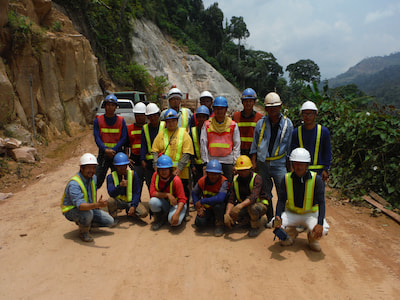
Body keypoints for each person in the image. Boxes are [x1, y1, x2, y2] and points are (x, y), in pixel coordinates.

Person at [249, 92, 293, 226]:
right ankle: (269, 218)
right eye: (270, 107)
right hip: (263, 163)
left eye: (275, 107)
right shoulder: (261, 124)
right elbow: (255, 145)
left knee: (283, 191)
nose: (272, 109)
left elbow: (289, 147)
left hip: (279, 163)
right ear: (266, 109)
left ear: (280, 107)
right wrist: (254, 162)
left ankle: (282, 219)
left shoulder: (287, 124)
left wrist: (290, 168)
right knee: (266, 192)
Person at [274, 148, 329, 251]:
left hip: (310, 214)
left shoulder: (316, 180)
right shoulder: (286, 179)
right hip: (292, 213)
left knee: (324, 229)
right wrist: (277, 215)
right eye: (296, 163)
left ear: (307, 165)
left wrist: (320, 223)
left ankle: (312, 238)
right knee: (276, 224)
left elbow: (322, 202)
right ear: (292, 164)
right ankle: (291, 233)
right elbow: (281, 200)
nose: (299, 167)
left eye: (302, 164)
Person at [61, 153, 115, 242]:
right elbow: (81, 206)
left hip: (88, 208)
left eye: (94, 167)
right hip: (72, 210)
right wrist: (96, 204)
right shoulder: (74, 184)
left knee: (109, 221)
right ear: (81, 168)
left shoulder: (93, 178)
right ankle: (83, 232)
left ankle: (86, 222)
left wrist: (96, 204)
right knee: (87, 214)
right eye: (89, 168)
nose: (92, 170)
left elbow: (91, 193)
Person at [151, 108, 194, 203]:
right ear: (165, 122)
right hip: (164, 171)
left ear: (177, 121)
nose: (171, 124)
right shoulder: (161, 134)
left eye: (173, 121)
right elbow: (154, 151)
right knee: (168, 192)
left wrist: (179, 168)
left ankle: (184, 214)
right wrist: (155, 166)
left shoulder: (184, 134)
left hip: (182, 172)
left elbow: (187, 153)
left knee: (183, 193)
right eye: (168, 122)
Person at [224, 155, 270, 237]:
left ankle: (255, 227)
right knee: (232, 211)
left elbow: (253, 197)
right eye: (240, 170)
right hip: (244, 205)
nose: (242, 172)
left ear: (250, 169)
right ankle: (247, 221)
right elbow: (231, 199)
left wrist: (239, 206)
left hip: (259, 204)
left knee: (252, 208)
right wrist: (227, 214)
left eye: (245, 170)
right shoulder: (235, 181)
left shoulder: (257, 178)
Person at [200, 96, 240, 183]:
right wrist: (205, 163)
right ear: (213, 109)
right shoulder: (207, 125)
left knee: (228, 187)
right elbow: (203, 145)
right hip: (212, 161)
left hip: (228, 161)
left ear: (226, 110)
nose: (219, 111)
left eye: (221, 108)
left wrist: (235, 162)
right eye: (217, 108)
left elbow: (237, 144)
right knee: (212, 187)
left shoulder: (233, 125)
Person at [291, 101, 332, 181]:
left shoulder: (324, 131)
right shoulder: (296, 132)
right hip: (301, 171)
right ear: (301, 115)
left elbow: (327, 152)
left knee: (317, 193)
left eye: (310, 114)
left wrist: (326, 169)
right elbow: (292, 152)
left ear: (315, 114)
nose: (307, 116)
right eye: (305, 114)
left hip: (319, 173)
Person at [93, 94, 127, 188]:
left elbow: (123, 138)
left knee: (119, 180)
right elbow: (97, 138)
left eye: (112, 105)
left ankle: (119, 200)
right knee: (96, 179)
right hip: (103, 154)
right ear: (105, 106)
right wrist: (105, 150)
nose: (110, 107)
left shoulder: (121, 120)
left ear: (116, 107)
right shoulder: (98, 121)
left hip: (117, 154)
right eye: (108, 105)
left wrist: (114, 149)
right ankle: (91, 201)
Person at [148, 155, 187, 230]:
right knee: (152, 201)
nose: (164, 171)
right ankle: (159, 219)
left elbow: (182, 199)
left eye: (166, 169)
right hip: (166, 203)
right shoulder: (155, 176)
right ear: (158, 170)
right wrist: (168, 195)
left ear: (170, 169)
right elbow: (152, 193)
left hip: (176, 204)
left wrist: (177, 214)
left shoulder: (176, 180)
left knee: (174, 222)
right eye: (161, 169)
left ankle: (180, 213)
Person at [106, 152, 148, 221]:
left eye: (124, 165)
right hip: (119, 202)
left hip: (130, 202)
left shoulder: (133, 175)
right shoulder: (110, 177)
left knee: (143, 213)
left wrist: (133, 206)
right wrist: (120, 186)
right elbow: (111, 193)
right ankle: (113, 216)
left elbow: (137, 192)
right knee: (110, 201)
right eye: (120, 166)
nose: (122, 168)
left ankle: (131, 212)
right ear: (115, 166)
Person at [192, 160, 229, 237]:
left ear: (219, 174)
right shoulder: (202, 180)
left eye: (216, 174)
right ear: (207, 173)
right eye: (211, 173)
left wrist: (202, 201)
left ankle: (219, 225)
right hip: (207, 207)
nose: (213, 176)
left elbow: (220, 198)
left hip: (220, 206)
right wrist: (198, 207)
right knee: (199, 223)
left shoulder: (223, 181)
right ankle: (212, 218)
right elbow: (194, 193)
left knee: (218, 206)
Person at [140, 103, 165, 192]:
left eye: (155, 115)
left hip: (163, 159)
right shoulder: (145, 128)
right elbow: (143, 144)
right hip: (149, 161)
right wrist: (142, 159)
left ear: (158, 115)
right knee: (150, 182)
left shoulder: (164, 126)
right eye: (150, 116)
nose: (153, 118)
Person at [233, 88, 263, 157]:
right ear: (242, 102)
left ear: (254, 102)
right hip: (239, 152)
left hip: (253, 153)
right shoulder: (235, 116)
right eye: (246, 101)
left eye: (250, 101)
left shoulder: (260, 118)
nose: (248, 103)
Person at [126, 102, 147, 188]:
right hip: (135, 160)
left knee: (150, 182)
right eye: (137, 115)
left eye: (142, 115)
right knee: (137, 182)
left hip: (147, 159)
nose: (139, 117)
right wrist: (127, 158)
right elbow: (126, 145)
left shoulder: (148, 127)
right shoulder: (129, 128)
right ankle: (137, 200)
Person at [190, 105, 210, 184]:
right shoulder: (193, 132)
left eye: (203, 117)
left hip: (209, 164)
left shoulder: (211, 130)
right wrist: (192, 166)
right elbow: (190, 150)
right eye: (199, 117)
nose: (201, 119)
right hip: (197, 166)